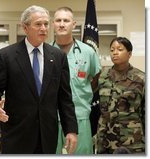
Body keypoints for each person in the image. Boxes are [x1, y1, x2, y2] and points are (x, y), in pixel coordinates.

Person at [0, 5, 78, 154]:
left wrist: (71, 130)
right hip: (17, 134)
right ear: (25, 27)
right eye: (38, 24)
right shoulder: (6, 56)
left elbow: (64, 97)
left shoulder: (58, 56)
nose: (43, 28)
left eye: (46, 24)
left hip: (46, 135)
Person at [51, 7, 101, 154]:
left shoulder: (88, 52)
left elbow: (96, 78)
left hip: (80, 117)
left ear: (73, 24)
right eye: (58, 20)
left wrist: (82, 95)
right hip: (52, 118)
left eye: (66, 20)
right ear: (53, 24)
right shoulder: (44, 52)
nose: (62, 24)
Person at [96, 37, 145, 154]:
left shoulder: (141, 78)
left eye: (119, 49)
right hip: (105, 138)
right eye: (112, 50)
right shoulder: (102, 76)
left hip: (131, 138)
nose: (115, 53)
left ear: (129, 54)